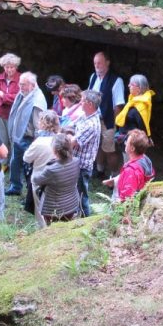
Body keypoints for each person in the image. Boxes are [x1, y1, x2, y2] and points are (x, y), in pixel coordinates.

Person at [6, 71, 47, 196]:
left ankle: (31, 195)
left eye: (23, 85)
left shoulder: (37, 101)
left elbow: (38, 125)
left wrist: (36, 143)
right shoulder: (24, 94)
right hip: (20, 137)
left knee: (29, 168)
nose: (20, 87)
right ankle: (15, 187)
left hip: (29, 139)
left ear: (32, 85)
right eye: (20, 84)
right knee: (14, 162)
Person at [86, 51, 125, 178]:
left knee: (110, 150)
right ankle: (99, 170)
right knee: (96, 146)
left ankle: (114, 176)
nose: (97, 65)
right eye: (95, 63)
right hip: (94, 119)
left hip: (108, 121)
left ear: (107, 63)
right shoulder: (93, 77)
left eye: (99, 63)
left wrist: (114, 126)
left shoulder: (116, 81)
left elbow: (118, 105)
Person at [32, 133, 82, 224]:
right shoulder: (77, 161)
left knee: (53, 232)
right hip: (71, 204)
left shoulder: (51, 170)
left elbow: (35, 180)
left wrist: (36, 170)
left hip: (53, 210)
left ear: (55, 151)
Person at [69, 89, 102, 217]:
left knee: (82, 196)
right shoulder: (85, 116)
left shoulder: (91, 124)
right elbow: (70, 126)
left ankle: (85, 220)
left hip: (82, 166)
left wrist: (63, 137)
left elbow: (73, 142)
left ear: (89, 104)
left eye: (82, 101)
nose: (79, 103)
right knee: (76, 193)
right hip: (76, 162)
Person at [22, 110, 61, 214]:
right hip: (58, 177)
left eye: (40, 121)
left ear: (44, 124)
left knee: (41, 210)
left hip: (41, 179)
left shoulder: (39, 142)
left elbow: (26, 158)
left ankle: (44, 229)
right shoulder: (61, 139)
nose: (38, 123)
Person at [103, 129, 155, 202]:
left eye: (127, 141)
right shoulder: (145, 159)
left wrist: (117, 204)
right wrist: (115, 181)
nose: (125, 143)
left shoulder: (131, 171)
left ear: (132, 148)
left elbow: (126, 198)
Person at [0, 52, 21, 162]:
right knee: (1, 139)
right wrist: (6, 99)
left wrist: (3, 96)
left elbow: (17, 98)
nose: (9, 70)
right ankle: (3, 163)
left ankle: (14, 162)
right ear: (3, 67)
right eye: (7, 67)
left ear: (16, 67)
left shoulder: (21, 79)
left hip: (14, 115)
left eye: (12, 67)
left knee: (13, 139)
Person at [114, 74, 155, 153]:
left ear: (139, 89)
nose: (129, 85)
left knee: (130, 164)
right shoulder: (134, 101)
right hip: (127, 141)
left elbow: (143, 125)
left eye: (132, 84)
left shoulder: (140, 106)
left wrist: (147, 139)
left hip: (133, 145)